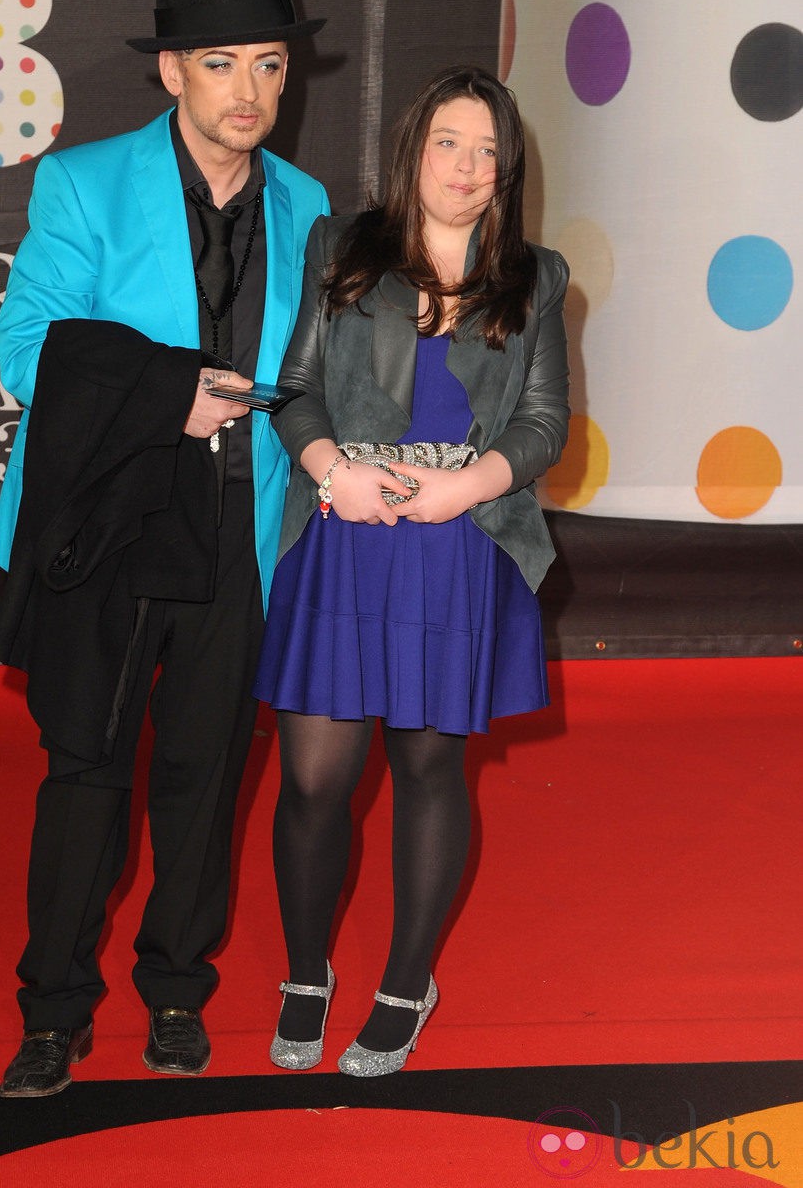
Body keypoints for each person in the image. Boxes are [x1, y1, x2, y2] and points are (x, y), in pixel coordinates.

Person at [0, 0, 329, 1095]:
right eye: (223, 61)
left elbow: (311, 370)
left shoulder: (303, 198)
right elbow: (25, 351)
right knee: (85, 769)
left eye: (270, 62)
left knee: (205, 771)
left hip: (239, 528)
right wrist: (166, 392)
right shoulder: (82, 182)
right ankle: (52, 1008)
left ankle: (176, 992)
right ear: (171, 70)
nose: (250, 88)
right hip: (113, 527)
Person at [253, 64, 570, 1076]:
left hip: (455, 541)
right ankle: (306, 972)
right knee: (313, 775)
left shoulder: (536, 275)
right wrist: (329, 467)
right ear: (411, 149)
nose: (468, 168)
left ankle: (402, 983)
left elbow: (542, 424)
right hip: (345, 530)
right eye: (449, 144)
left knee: (428, 767)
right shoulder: (342, 249)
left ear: (504, 169)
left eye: (487, 152)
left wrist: (465, 484)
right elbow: (294, 389)